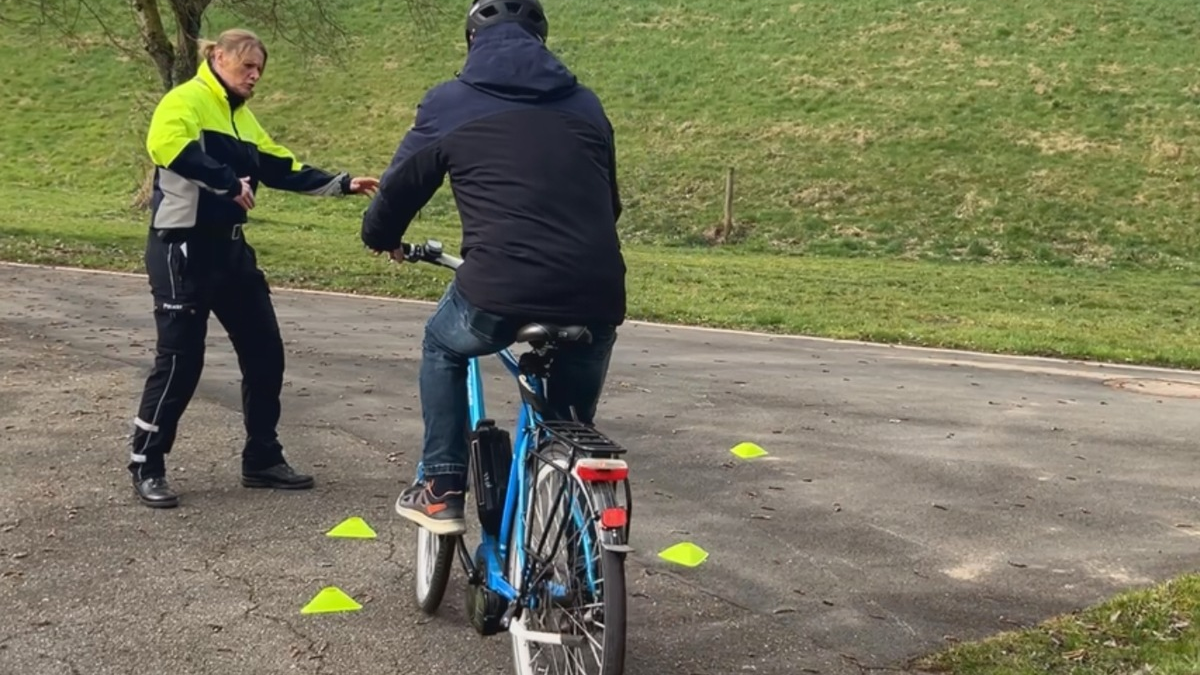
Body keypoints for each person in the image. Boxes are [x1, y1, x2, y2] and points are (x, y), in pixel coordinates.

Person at [360, 0, 626, 536]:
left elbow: (400, 188)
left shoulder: (451, 102)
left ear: (472, 42)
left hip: (500, 288)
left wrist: (380, 237)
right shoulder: (586, 105)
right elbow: (611, 203)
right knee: (567, 432)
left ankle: (441, 485)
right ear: (540, 42)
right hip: (596, 294)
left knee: (442, 345)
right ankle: (573, 556)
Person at [128, 28, 379, 508]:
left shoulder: (242, 118)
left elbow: (279, 165)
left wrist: (342, 184)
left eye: (260, 70)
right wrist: (226, 181)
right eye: (247, 67)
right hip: (182, 250)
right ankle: (147, 463)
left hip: (231, 252)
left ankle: (261, 458)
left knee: (265, 353)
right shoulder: (185, 100)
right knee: (181, 361)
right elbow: (166, 146)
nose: (255, 76)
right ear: (218, 57)